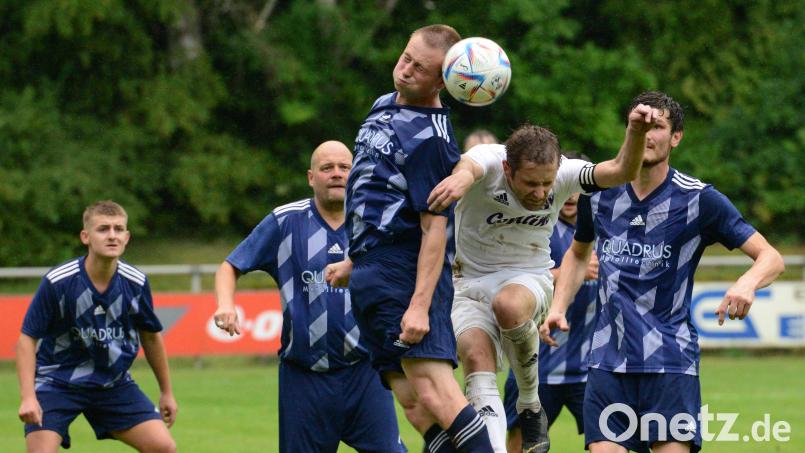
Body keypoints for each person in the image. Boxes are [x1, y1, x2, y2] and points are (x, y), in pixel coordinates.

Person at [541, 91, 785, 453]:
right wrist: (558, 307)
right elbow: (578, 254)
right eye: (639, 126)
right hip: (608, 360)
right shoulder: (598, 194)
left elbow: (770, 257)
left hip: (670, 361)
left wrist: (747, 283)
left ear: (676, 137)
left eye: (658, 126)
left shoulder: (700, 200)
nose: (648, 134)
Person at [426, 102, 664, 452]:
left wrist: (635, 133)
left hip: (529, 276)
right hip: (469, 284)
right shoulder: (490, 160)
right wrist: (461, 178)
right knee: (477, 365)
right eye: (530, 183)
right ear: (508, 169)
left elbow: (620, 171)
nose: (540, 194)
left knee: (507, 305)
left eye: (546, 184)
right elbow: (470, 166)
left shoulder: (567, 172)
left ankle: (529, 402)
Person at [326, 25, 496, 452]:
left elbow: (434, 226)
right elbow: (372, 187)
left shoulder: (432, 139)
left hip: (405, 272)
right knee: (412, 402)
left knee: (434, 389)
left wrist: (420, 304)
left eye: (419, 69)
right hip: (372, 268)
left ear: (443, 81)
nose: (404, 70)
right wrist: (356, 258)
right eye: (405, 57)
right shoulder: (383, 104)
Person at [213, 141, 405, 453]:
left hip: (365, 373)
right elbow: (230, 266)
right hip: (304, 379)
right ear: (310, 177)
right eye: (327, 168)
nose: (336, 174)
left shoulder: (376, 223)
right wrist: (225, 304)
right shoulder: (285, 221)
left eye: (344, 167)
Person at [16, 200, 177, 452]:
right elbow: (27, 338)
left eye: (118, 229)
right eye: (103, 229)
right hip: (57, 382)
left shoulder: (135, 282)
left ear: (127, 236)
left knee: (163, 447)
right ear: (85, 236)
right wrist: (28, 397)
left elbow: (151, 337)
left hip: (112, 383)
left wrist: (166, 392)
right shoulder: (59, 282)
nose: (112, 235)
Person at [502, 152, 600, 453]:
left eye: (576, 188)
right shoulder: (529, 227)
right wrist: (567, 272)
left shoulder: (604, 229)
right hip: (536, 364)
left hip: (591, 367)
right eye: (562, 186)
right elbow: (506, 280)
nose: (570, 197)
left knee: (610, 442)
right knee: (522, 443)